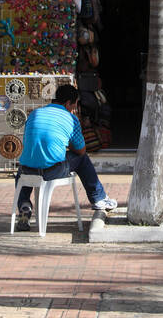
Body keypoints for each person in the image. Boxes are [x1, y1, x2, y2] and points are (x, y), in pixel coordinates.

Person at [15, 84, 116, 230]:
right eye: (74, 104)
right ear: (68, 103)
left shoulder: (34, 114)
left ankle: (24, 204)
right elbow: (81, 150)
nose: (75, 108)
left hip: (26, 170)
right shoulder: (71, 118)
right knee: (83, 159)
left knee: (25, 168)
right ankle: (99, 199)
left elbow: (30, 142)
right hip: (51, 171)